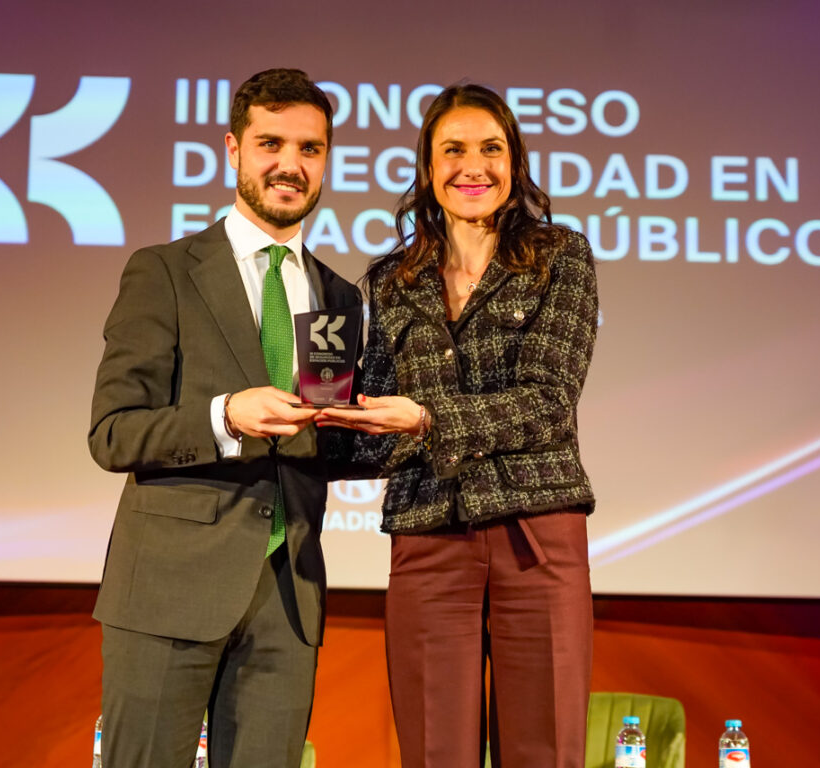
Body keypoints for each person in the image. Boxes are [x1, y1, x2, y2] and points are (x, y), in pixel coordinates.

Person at [316, 83, 599, 768]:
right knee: (434, 749)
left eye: (490, 149)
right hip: (428, 531)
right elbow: (379, 422)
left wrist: (426, 418)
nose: (473, 167)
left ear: (515, 162)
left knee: (544, 750)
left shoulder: (560, 257)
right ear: (427, 167)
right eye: (453, 151)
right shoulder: (393, 280)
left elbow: (549, 401)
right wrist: (312, 420)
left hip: (537, 532)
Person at [88, 68, 360, 768]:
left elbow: (324, 444)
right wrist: (225, 416)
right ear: (234, 149)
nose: (290, 164)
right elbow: (114, 432)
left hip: (287, 599)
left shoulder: (339, 296)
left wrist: (396, 424)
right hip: (168, 589)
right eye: (271, 143)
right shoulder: (165, 272)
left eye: (310, 148)